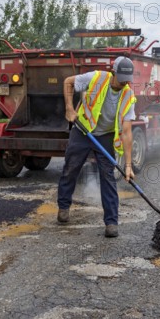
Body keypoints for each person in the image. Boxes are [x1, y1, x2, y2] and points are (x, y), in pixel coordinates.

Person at [57, 56, 136, 238]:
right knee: (71, 168)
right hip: (83, 131)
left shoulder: (128, 96)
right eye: (122, 78)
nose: (125, 82)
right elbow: (68, 82)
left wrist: (128, 166)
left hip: (105, 137)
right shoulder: (96, 77)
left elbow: (127, 132)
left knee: (108, 177)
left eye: (128, 79)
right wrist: (69, 108)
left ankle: (111, 222)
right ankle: (63, 206)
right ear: (113, 72)